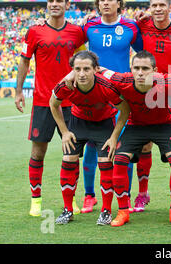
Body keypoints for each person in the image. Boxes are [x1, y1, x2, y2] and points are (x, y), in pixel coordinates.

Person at [14, 0, 85, 217]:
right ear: (47, 4)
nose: (54, 4)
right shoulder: (34, 31)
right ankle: (36, 201)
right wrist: (18, 92)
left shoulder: (77, 32)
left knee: (72, 154)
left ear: (67, 5)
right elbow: (24, 62)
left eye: (59, 1)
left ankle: (70, 200)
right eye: (51, 0)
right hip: (43, 102)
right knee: (38, 152)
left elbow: (84, 61)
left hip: (70, 103)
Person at [100, 51, 171, 227]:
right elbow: (100, 70)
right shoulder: (121, 79)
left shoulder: (166, 81)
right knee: (120, 160)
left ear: (154, 70)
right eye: (136, 68)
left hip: (165, 125)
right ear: (130, 69)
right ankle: (123, 211)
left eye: (145, 69)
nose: (140, 72)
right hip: (137, 125)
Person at [80, 0, 143, 214]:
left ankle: (123, 196)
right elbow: (70, 40)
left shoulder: (130, 27)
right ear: (98, 4)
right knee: (90, 145)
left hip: (121, 94)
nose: (106, 3)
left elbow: (143, 52)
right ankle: (89, 195)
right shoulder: (88, 26)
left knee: (121, 147)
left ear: (119, 3)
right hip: (95, 95)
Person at [49, 51, 130, 225]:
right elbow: (53, 104)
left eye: (86, 69)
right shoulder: (66, 85)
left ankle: (106, 211)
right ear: (73, 70)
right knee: (68, 159)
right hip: (78, 123)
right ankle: (67, 210)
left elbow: (125, 109)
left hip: (103, 124)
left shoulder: (106, 86)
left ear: (95, 69)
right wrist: (64, 132)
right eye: (77, 69)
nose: (82, 73)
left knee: (105, 163)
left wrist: (114, 136)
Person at [133, 0, 171, 212]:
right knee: (144, 144)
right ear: (150, 8)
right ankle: (142, 194)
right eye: (154, 5)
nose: (157, 9)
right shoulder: (142, 25)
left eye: (161, 5)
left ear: (170, 7)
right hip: (147, 94)